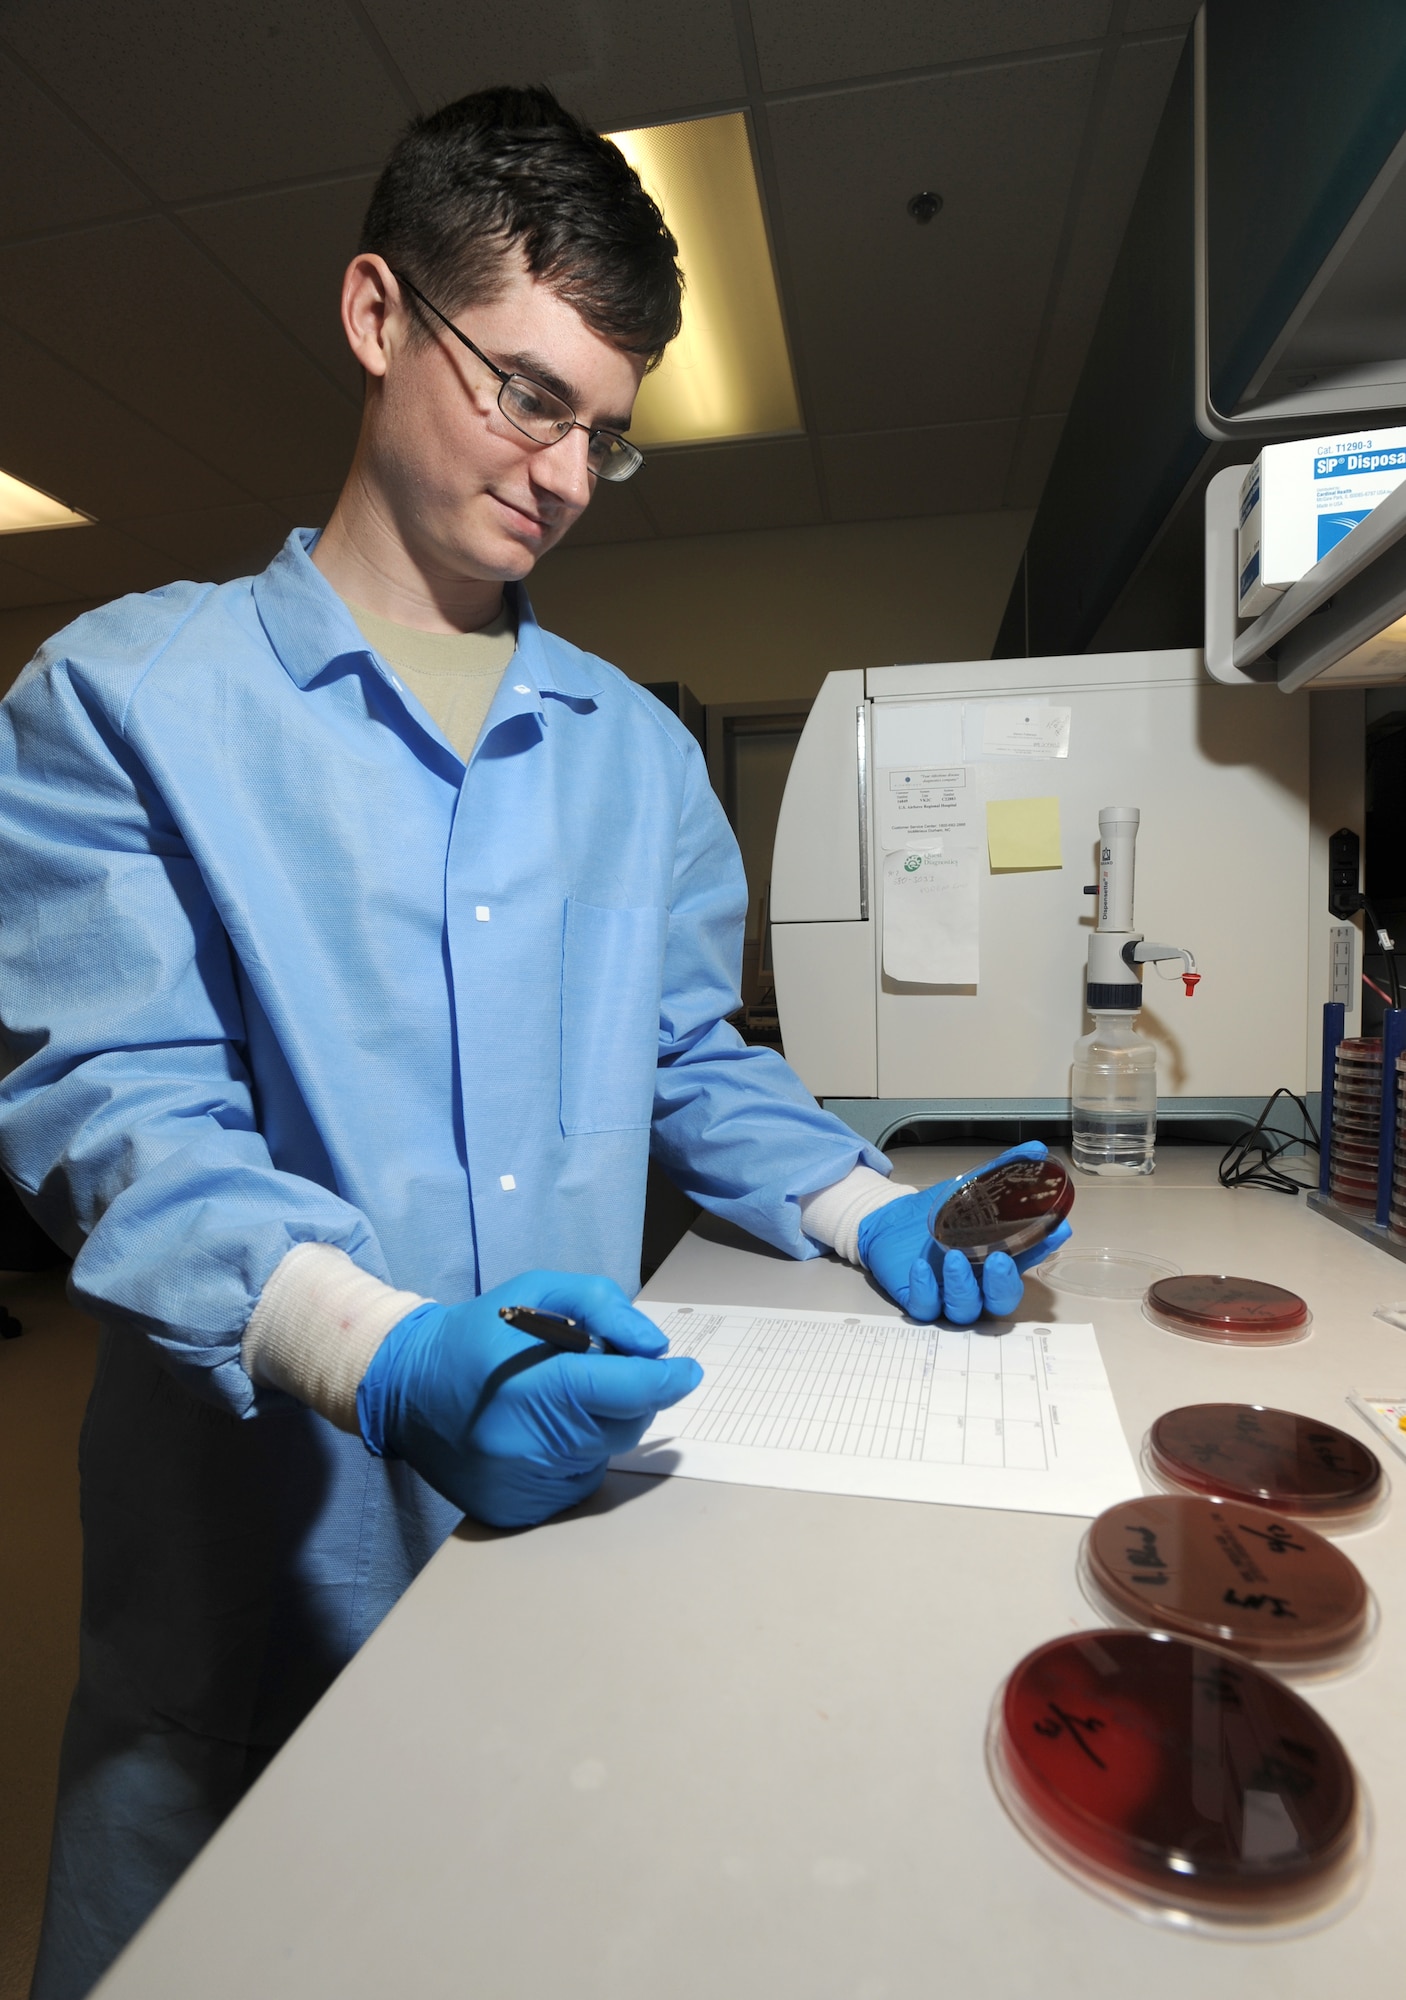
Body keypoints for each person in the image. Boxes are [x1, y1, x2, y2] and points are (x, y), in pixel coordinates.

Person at [0, 87, 1069, 1999]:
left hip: (570, 1544)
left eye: (606, 431)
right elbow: (117, 1116)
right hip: (261, 1574)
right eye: (527, 392)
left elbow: (685, 1054)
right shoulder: (122, 700)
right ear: (374, 312)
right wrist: (381, 1353)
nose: (564, 471)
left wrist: (859, 1205)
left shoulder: (636, 752)